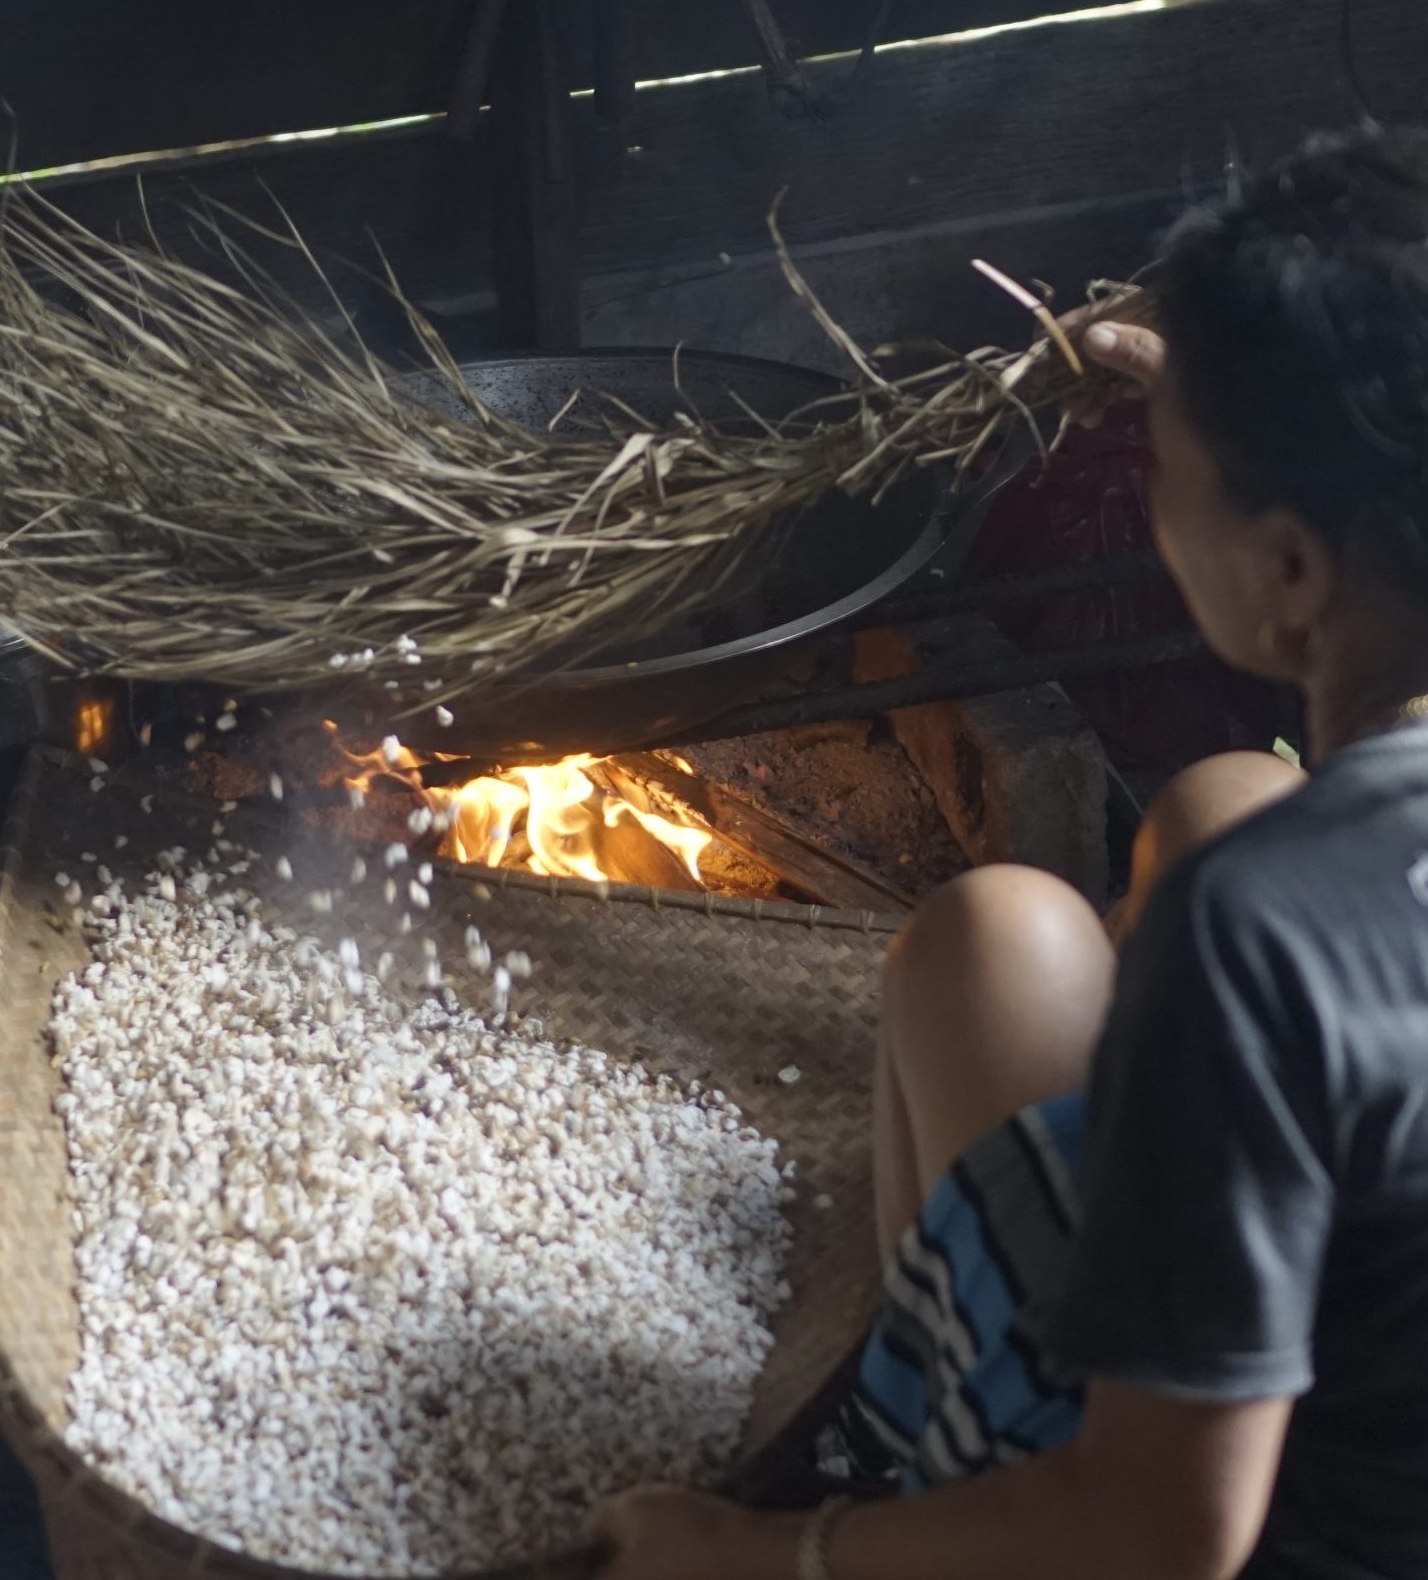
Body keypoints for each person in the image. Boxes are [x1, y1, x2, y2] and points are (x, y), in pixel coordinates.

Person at [593, 125, 1428, 1580]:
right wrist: (1239, 396)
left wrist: (748, 1555)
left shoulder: (1268, 931)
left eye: (1165, 467)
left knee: (985, 944)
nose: (1148, 488)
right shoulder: (1312, 885)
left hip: (1237, 1528)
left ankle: (908, 1474)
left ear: (1290, 569)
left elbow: (1165, 1534)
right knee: (1221, 793)